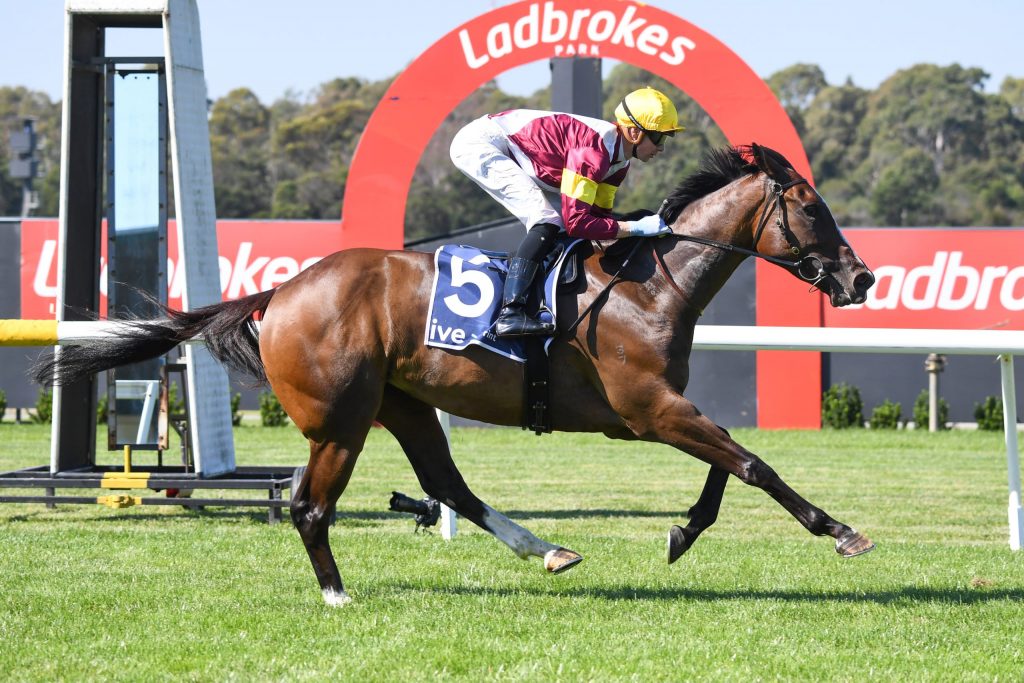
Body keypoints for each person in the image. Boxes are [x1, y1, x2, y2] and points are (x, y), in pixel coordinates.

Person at [450, 86, 683, 338]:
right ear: (635, 132)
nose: (661, 148)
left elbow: (599, 217)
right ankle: (511, 313)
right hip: (482, 144)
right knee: (547, 220)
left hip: (516, 149)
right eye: (659, 138)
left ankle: (541, 301)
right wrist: (636, 227)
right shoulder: (593, 151)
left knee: (558, 224)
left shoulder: (620, 163)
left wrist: (635, 226)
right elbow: (578, 223)